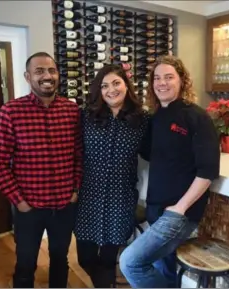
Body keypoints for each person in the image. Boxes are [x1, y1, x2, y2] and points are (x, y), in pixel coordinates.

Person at [119, 55, 220, 288]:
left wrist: (180, 208)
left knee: (131, 263)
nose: (162, 83)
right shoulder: (156, 118)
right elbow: (148, 153)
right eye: (157, 78)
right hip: (156, 208)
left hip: (179, 213)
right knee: (163, 269)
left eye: (169, 77)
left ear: (182, 81)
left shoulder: (197, 116)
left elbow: (208, 171)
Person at [0, 52, 82, 288]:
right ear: (27, 77)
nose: (47, 76)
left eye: (51, 70)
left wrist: (75, 190)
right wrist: (19, 201)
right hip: (29, 208)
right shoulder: (10, 112)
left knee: (60, 259)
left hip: (64, 205)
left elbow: (80, 156)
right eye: (39, 71)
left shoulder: (72, 112)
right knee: (26, 263)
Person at [74, 64, 151, 288]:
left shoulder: (142, 120)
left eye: (116, 83)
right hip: (89, 199)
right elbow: (75, 152)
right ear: (99, 90)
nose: (111, 90)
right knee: (85, 258)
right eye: (105, 85)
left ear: (126, 86)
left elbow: (152, 151)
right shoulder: (86, 116)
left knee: (108, 261)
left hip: (121, 199)